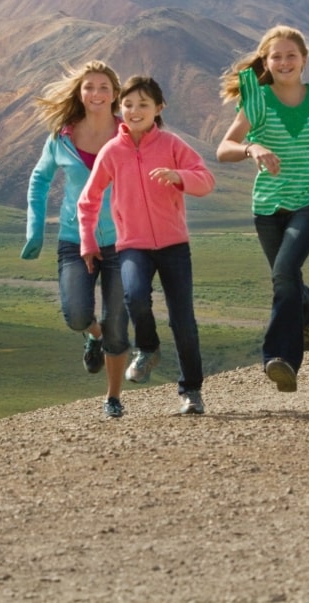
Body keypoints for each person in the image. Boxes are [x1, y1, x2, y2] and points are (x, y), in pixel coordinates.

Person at [216, 25, 309, 393]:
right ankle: (307, 307)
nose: (284, 62)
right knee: (288, 281)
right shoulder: (258, 101)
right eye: (276, 56)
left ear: (304, 60)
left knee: (284, 272)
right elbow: (224, 149)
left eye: (291, 55)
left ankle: (280, 359)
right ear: (266, 63)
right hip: (268, 208)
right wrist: (252, 148)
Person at [78, 75, 215, 415]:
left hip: (173, 245)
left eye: (143, 104)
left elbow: (206, 180)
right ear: (118, 108)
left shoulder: (171, 144)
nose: (134, 111)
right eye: (127, 105)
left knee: (183, 320)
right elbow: (89, 199)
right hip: (132, 245)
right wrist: (88, 241)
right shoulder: (112, 151)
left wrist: (179, 176)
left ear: (159, 108)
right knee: (135, 296)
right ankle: (149, 348)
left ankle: (191, 391)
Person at [21, 60, 131, 419]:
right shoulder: (61, 137)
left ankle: (113, 398)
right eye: (89, 87)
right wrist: (35, 230)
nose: (96, 93)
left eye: (103, 87)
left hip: (123, 241)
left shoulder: (130, 133)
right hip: (73, 238)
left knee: (118, 321)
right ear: (79, 93)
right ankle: (92, 335)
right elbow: (39, 181)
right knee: (76, 314)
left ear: (115, 94)